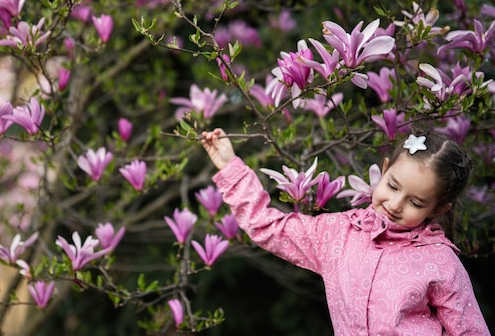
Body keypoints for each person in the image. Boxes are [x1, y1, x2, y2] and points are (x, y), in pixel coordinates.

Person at [201, 128, 490, 335]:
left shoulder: (440, 262)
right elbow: (268, 226)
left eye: (415, 202)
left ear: (438, 209)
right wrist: (230, 167)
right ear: (385, 169)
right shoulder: (338, 234)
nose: (395, 204)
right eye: (392, 186)